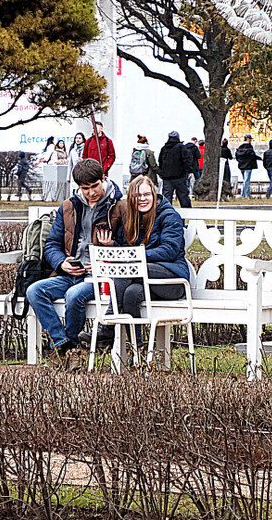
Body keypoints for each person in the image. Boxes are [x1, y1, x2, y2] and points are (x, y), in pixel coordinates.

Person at [24, 159, 121, 356]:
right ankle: (65, 345)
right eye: (86, 188)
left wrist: (110, 250)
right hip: (71, 272)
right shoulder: (68, 207)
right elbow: (51, 244)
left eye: (95, 186)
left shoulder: (119, 206)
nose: (91, 192)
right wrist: (62, 262)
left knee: (74, 295)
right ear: (79, 187)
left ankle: (71, 346)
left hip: (100, 277)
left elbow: (130, 247)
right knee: (34, 291)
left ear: (103, 178)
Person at [107, 175, 192, 325]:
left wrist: (137, 255)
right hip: (145, 278)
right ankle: (136, 345)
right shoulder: (131, 219)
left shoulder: (169, 216)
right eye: (137, 195)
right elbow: (126, 250)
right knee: (131, 294)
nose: (142, 199)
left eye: (146, 194)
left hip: (173, 280)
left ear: (154, 194)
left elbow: (169, 250)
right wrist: (112, 245)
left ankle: (107, 323)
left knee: (128, 267)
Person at [157, 131, 195, 208]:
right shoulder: (181, 147)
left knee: (166, 198)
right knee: (183, 197)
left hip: (167, 177)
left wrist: (161, 172)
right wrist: (189, 171)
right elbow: (187, 160)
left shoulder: (164, 148)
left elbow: (160, 161)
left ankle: (166, 214)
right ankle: (187, 215)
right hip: (180, 176)